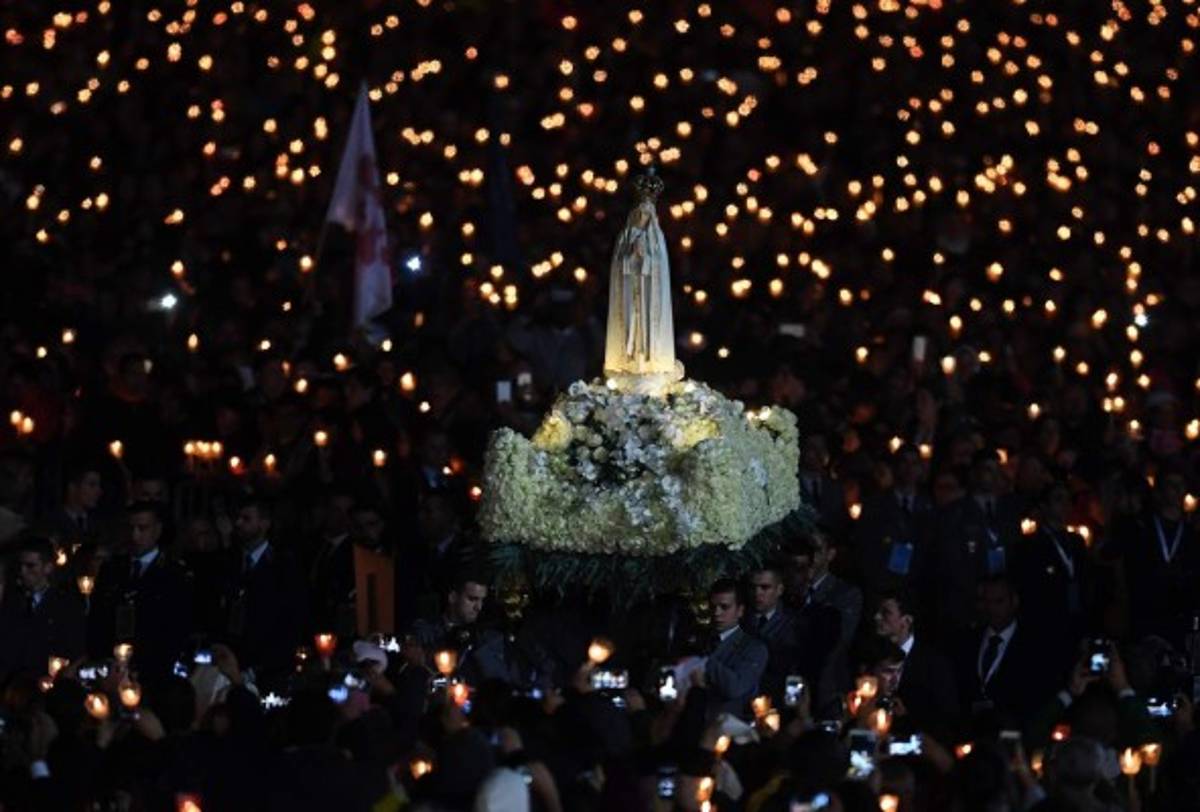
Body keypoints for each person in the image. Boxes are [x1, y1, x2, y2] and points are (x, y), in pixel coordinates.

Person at [87, 500, 192, 685]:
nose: (135, 535)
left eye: (142, 528)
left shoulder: (174, 574)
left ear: (157, 530)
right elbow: (97, 617)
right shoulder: (112, 568)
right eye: (131, 528)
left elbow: (176, 627)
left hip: (153, 668)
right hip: (110, 667)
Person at [219, 495, 308, 688]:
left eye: (246, 518)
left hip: (267, 664)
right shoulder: (228, 562)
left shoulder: (283, 567)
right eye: (238, 518)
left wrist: (266, 664)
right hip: (232, 656)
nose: (238, 523)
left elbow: (289, 621)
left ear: (265, 523)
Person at [954, 575, 1051, 725]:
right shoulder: (967, 641)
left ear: (1014, 601)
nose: (991, 608)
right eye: (986, 602)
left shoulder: (1034, 645)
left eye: (999, 602)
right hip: (969, 729)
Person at [788, 532, 861, 709]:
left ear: (830, 554)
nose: (811, 556)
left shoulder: (845, 593)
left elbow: (840, 640)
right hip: (790, 678)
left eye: (816, 550)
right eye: (807, 550)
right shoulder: (788, 589)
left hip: (826, 685)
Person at [874, 589, 959, 738]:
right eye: (878, 611)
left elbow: (947, 715)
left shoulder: (933, 663)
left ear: (906, 620)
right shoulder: (871, 656)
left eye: (886, 612)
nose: (877, 617)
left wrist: (909, 714)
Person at [0, 537, 86, 679]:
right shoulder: (13, 601)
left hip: (48, 681)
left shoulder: (65, 604)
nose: (23, 571)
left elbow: (75, 645)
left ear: (47, 567)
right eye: (21, 566)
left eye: (31, 566)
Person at [410, 572, 514, 684]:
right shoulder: (426, 631)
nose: (478, 607)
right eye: (472, 599)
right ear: (453, 597)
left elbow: (501, 682)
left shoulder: (489, 638)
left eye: (481, 600)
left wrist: (479, 646)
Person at [696, 578, 768, 721]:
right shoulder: (699, 639)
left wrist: (704, 661)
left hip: (727, 727)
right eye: (713, 606)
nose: (716, 613)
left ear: (740, 610)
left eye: (724, 607)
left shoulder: (754, 648)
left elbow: (735, 688)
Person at [744, 563, 800, 705]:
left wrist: (793, 703)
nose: (757, 593)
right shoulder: (739, 620)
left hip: (777, 702)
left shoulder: (794, 624)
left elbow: (795, 670)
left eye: (765, 587)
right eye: (753, 587)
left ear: (779, 589)